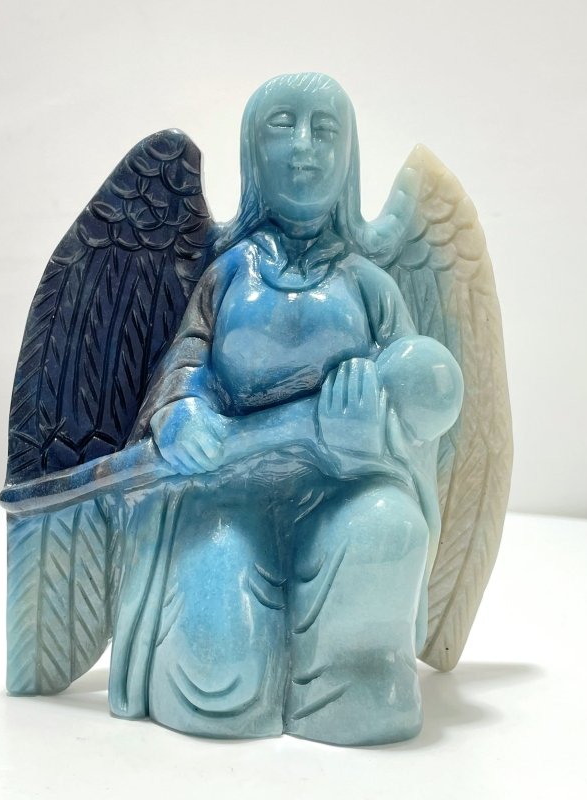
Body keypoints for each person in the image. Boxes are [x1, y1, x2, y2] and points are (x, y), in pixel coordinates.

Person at [108, 73, 462, 746]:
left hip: (340, 493)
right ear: (252, 153)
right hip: (227, 496)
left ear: (349, 157)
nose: (305, 146)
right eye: (282, 126)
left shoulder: (372, 287)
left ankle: (350, 677)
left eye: (325, 131)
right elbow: (185, 362)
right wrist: (180, 414)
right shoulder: (226, 274)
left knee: (390, 527)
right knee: (215, 678)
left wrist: (376, 440)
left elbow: (420, 412)